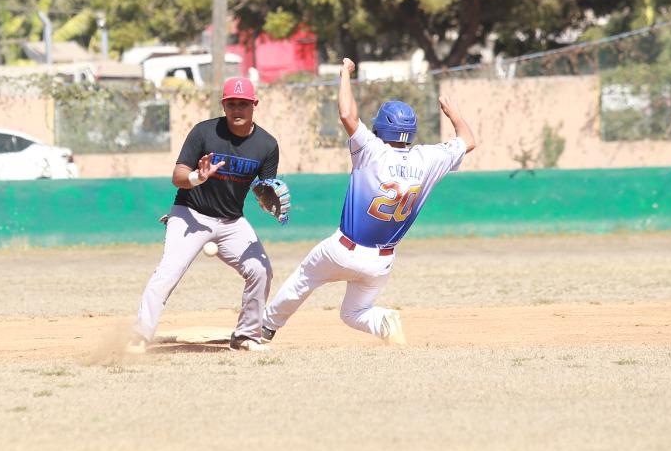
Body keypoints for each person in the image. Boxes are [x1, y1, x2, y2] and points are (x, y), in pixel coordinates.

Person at [261, 58, 476, 345]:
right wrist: (453, 114)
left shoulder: (372, 150)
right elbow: (468, 140)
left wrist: (345, 74)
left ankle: (265, 327)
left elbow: (347, 115)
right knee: (354, 313)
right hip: (381, 262)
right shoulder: (429, 159)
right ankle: (383, 320)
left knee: (304, 277)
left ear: (379, 130)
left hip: (344, 249)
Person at [129, 76, 282, 353]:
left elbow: (265, 189)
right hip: (191, 214)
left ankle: (246, 335)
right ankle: (140, 335)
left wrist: (269, 202)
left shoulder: (267, 145)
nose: (237, 110)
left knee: (261, 270)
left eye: (243, 104)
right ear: (224, 105)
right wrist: (198, 177)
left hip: (232, 221)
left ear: (254, 105)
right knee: (168, 272)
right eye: (232, 104)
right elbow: (178, 177)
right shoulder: (204, 133)